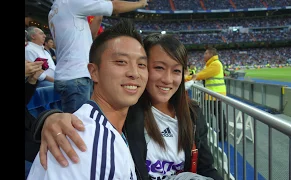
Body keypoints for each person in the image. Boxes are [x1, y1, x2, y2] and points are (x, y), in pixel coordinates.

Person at [31, 34, 224, 180]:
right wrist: (50, 118)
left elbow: (206, 168)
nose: (167, 79)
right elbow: (87, 130)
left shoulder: (192, 113)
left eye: (176, 71)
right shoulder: (127, 111)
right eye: (158, 67)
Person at [27, 19, 148, 180]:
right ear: (94, 71)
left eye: (141, 65)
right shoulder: (85, 143)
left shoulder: (109, 129)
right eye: (121, 62)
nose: (134, 73)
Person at [49, 0, 148, 113]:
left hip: (64, 75)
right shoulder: (71, 3)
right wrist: (140, 3)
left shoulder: (54, 11)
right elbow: (115, 7)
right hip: (77, 76)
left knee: (74, 120)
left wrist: (98, 14)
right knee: (79, 126)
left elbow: (91, 34)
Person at [186, 46, 227, 142]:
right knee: (213, 115)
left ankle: (218, 135)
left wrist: (187, 78)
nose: (204, 55)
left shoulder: (215, 64)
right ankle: (214, 134)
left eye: (205, 53)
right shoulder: (210, 64)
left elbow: (202, 75)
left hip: (215, 94)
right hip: (212, 94)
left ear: (211, 54)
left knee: (214, 115)